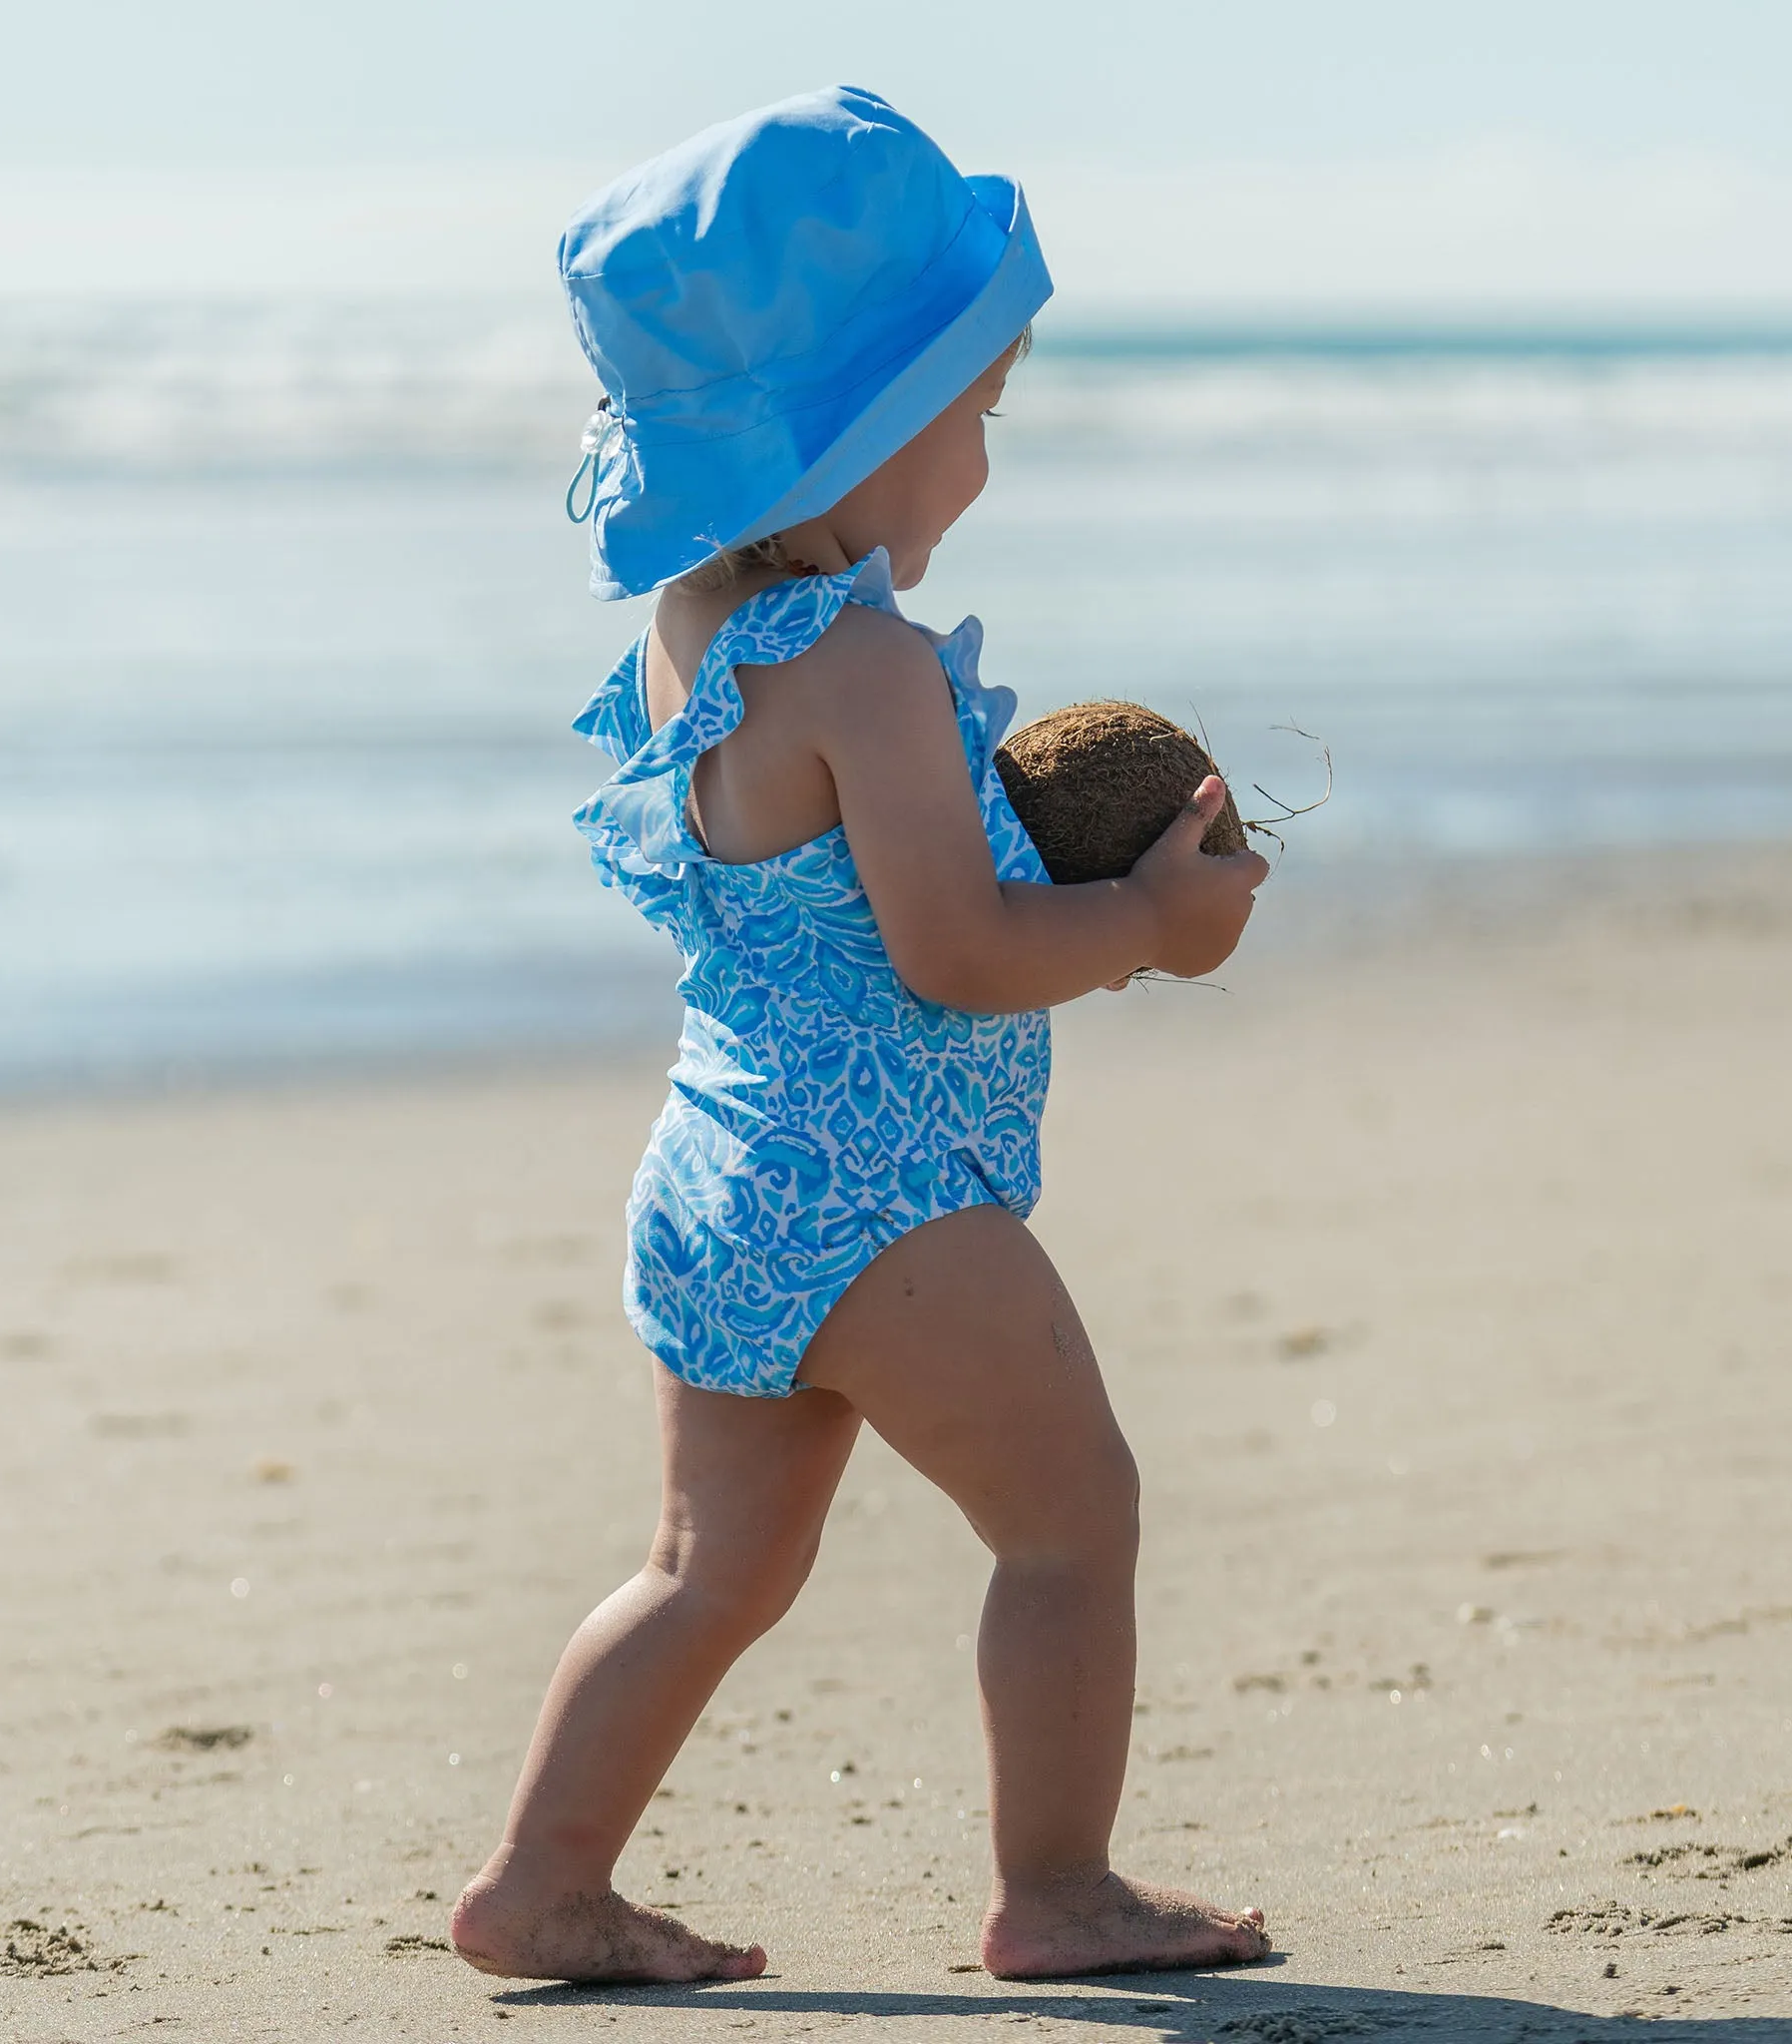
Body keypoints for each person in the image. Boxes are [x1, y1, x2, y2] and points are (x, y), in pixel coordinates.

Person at [453, 85, 1271, 1985]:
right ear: (867, 425)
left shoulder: (700, 623)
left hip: (724, 1169)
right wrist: (1153, 923)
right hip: (882, 1188)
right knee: (1075, 1522)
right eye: (975, 408)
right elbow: (962, 951)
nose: (986, 441)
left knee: (707, 1573)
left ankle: (539, 1886)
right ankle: (1058, 1888)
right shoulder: (877, 669)